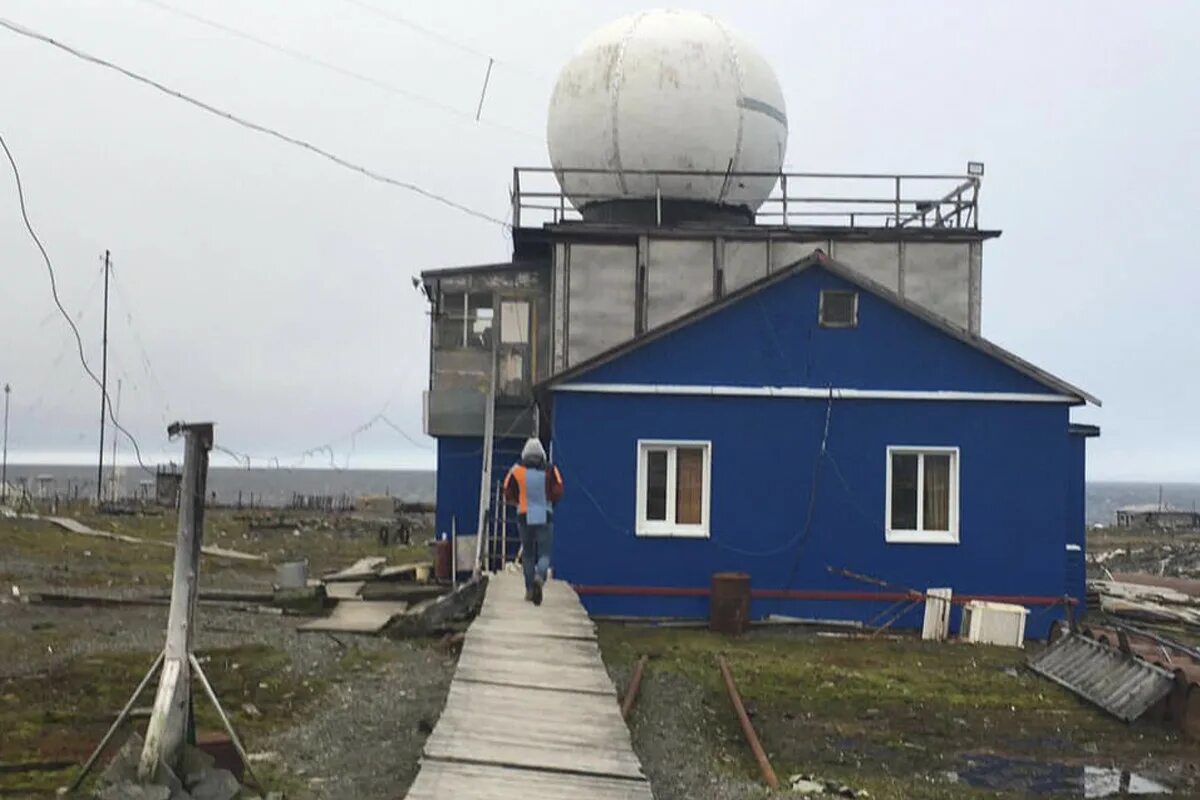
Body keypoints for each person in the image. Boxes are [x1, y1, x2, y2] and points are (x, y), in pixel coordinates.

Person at [503, 437, 564, 606]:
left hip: (523, 515)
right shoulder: (550, 470)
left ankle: (529, 590)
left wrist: (517, 501)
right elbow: (559, 489)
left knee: (528, 554)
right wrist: (550, 502)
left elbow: (507, 490)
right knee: (544, 554)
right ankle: (539, 577)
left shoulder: (516, 470)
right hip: (545, 514)